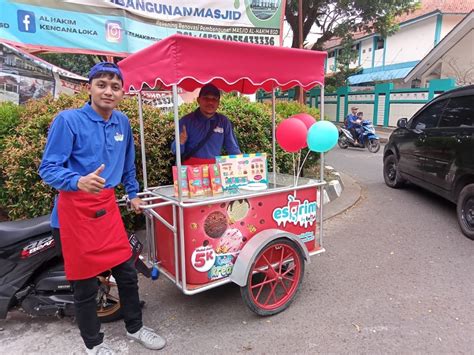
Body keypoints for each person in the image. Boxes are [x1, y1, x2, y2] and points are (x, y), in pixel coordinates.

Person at [39, 62, 166, 355]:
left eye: (115, 86)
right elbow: (47, 168)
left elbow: (127, 165)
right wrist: (77, 181)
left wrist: (133, 194)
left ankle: (135, 328)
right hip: (74, 213)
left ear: (122, 92)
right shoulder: (68, 120)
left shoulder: (122, 122)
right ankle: (93, 345)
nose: (108, 91)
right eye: (102, 85)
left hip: (106, 209)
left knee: (128, 274)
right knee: (84, 288)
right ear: (89, 89)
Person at [171, 83, 241, 165]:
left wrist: (242, 164)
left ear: (218, 102)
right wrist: (180, 142)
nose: (210, 102)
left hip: (214, 171)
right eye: (206, 98)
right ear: (198, 100)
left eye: (214, 99)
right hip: (190, 171)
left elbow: (233, 148)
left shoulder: (223, 121)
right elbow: (175, 151)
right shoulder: (186, 121)